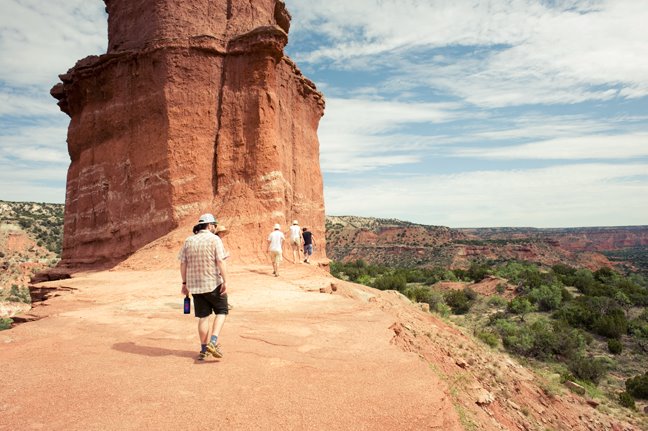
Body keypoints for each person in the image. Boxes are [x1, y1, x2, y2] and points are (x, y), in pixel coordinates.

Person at [179, 213, 229, 361]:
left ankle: (203, 349)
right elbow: (220, 261)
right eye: (214, 225)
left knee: (203, 317)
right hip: (213, 283)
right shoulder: (214, 239)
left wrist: (184, 283)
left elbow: (183, 263)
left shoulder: (189, 240)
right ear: (210, 225)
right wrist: (226, 281)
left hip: (195, 286)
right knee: (222, 311)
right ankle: (213, 342)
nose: (215, 228)